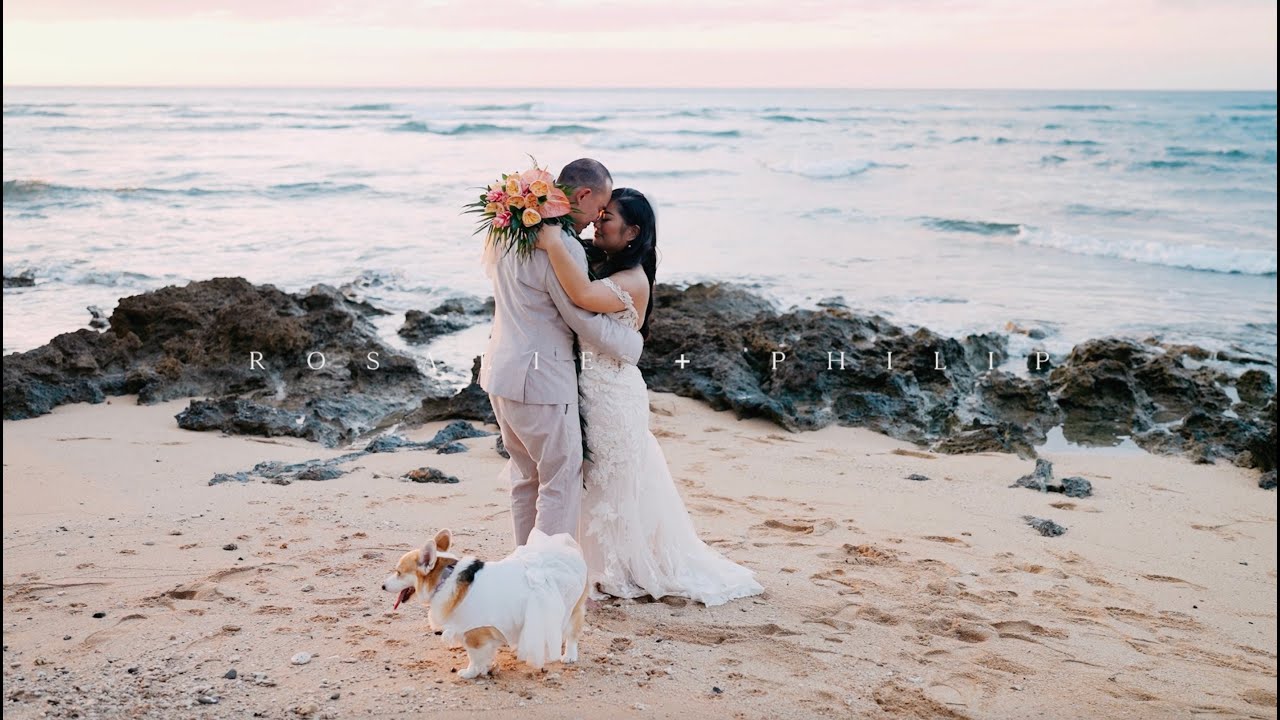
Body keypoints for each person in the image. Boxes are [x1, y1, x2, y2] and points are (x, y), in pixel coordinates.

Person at [533, 188, 764, 606]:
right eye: (598, 214)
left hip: (612, 394)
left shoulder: (631, 279)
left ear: (632, 231)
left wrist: (550, 241)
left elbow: (581, 296)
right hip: (590, 387)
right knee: (596, 476)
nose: (599, 222)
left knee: (614, 477)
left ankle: (618, 566)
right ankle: (589, 559)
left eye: (608, 218)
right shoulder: (606, 263)